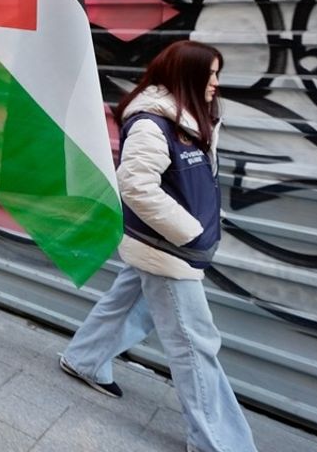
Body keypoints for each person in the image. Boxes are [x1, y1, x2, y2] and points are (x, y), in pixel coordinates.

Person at [59, 40, 255, 452]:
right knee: (195, 344)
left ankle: (84, 360)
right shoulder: (153, 123)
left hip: (166, 245)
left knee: (127, 304)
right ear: (186, 75)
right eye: (211, 74)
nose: (216, 83)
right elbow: (134, 185)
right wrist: (189, 232)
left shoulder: (186, 119)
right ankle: (217, 442)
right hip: (167, 249)